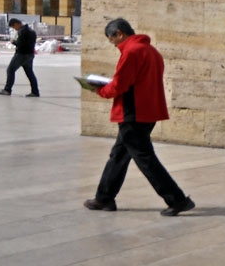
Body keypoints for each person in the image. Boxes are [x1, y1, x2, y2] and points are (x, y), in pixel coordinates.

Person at [84, 19, 196, 216]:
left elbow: (120, 84)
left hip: (133, 112)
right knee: (119, 155)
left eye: (112, 40)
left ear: (119, 33)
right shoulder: (151, 51)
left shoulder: (132, 51)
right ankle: (104, 198)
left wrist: (100, 90)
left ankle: (177, 199)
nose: (113, 44)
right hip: (146, 111)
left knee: (145, 159)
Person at [0, 18, 39, 97]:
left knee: (10, 70)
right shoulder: (31, 31)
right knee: (30, 73)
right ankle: (35, 91)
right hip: (30, 54)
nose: (14, 29)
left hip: (21, 54)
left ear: (16, 24)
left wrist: (14, 42)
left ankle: (7, 89)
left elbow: (21, 44)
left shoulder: (22, 31)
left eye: (13, 27)